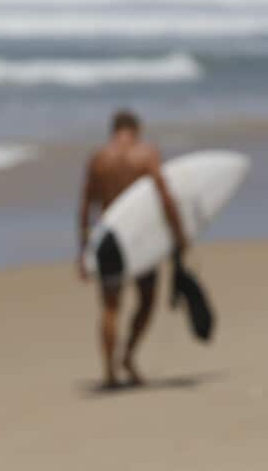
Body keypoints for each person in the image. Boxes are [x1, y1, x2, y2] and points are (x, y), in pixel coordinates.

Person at [76, 109, 187, 387]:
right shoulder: (146, 155)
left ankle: (109, 373)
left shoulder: (98, 159)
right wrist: (179, 234)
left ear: (113, 130)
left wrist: (84, 249)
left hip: (110, 239)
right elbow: (165, 197)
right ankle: (128, 355)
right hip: (140, 238)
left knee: (110, 308)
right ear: (136, 129)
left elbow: (85, 206)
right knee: (147, 301)